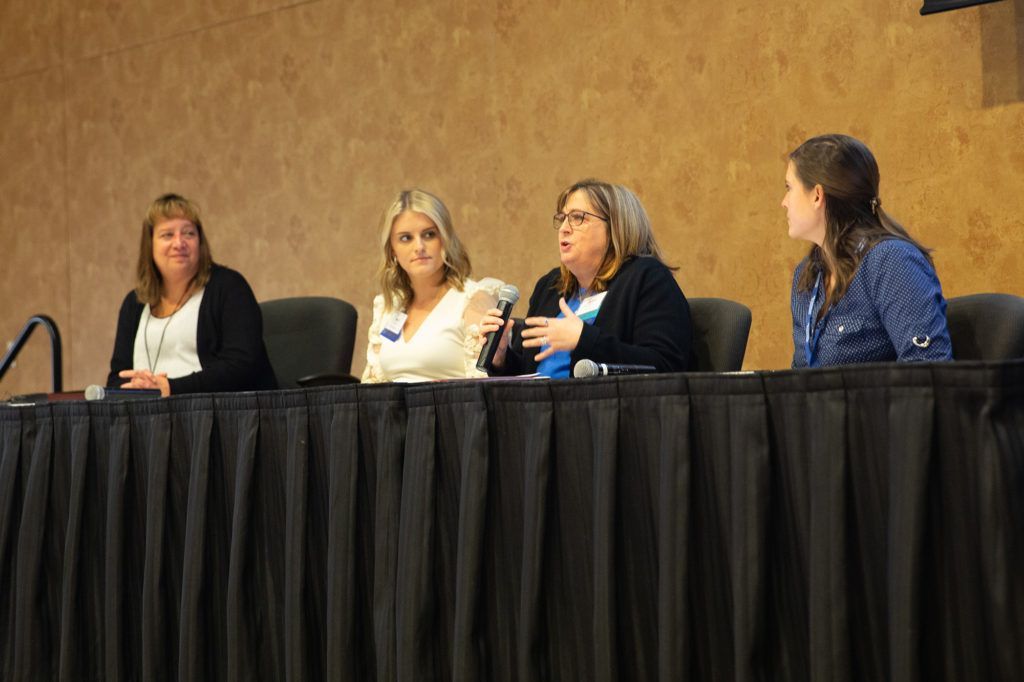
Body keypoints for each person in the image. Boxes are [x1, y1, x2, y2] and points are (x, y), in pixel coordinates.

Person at [479, 179, 692, 378]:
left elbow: (665, 366)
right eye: (562, 218)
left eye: (577, 218)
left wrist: (584, 339)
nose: (564, 229)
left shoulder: (647, 278)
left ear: (616, 226)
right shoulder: (551, 287)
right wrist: (502, 358)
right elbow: (529, 375)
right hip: (541, 405)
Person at [782, 134, 952, 368]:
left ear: (817, 196)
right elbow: (800, 376)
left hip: (882, 395)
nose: (784, 202)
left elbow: (927, 366)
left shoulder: (891, 261)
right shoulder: (807, 275)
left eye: (789, 188)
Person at [107, 193, 277, 395]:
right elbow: (117, 377)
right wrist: (136, 387)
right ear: (150, 244)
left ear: (200, 242)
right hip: (148, 412)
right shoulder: (135, 302)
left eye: (188, 233)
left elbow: (241, 366)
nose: (179, 243)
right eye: (167, 235)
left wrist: (171, 388)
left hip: (217, 411)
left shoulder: (229, 288)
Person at [361, 189, 503, 382]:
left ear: (445, 239)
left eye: (429, 235)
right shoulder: (388, 306)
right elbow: (373, 386)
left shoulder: (474, 298)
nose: (419, 247)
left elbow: (484, 382)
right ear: (392, 249)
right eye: (406, 238)